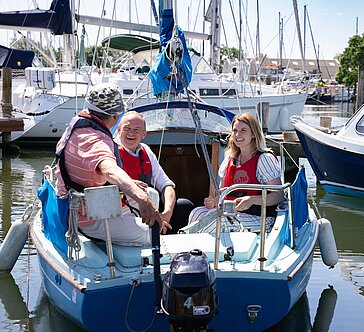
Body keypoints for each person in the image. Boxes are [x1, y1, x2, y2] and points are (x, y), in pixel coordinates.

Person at [55, 83, 165, 246]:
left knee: (151, 194)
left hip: (89, 201)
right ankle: (117, 245)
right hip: (87, 217)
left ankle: (123, 231)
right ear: (115, 117)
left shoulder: (80, 126)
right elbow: (109, 170)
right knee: (152, 232)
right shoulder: (95, 141)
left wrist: (137, 191)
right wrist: (142, 200)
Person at [187, 112, 284, 233]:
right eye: (235, 130)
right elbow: (222, 196)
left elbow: (279, 196)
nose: (238, 134)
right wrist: (213, 202)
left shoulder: (264, 159)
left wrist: (252, 200)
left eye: (243, 130)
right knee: (196, 213)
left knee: (217, 223)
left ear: (253, 134)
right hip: (232, 213)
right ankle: (191, 250)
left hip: (260, 218)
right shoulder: (229, 159)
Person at [117, 111, 194, 234]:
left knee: (184, 206)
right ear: (118, 130)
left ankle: (171, 249)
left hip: (149, 210)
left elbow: (166, 185)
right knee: (151, 193)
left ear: (144, 134)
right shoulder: (111, 151)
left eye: (137, 130)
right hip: (123, 211)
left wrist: (166, 215)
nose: (131, 133)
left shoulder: (145, 150)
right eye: (127, 128)